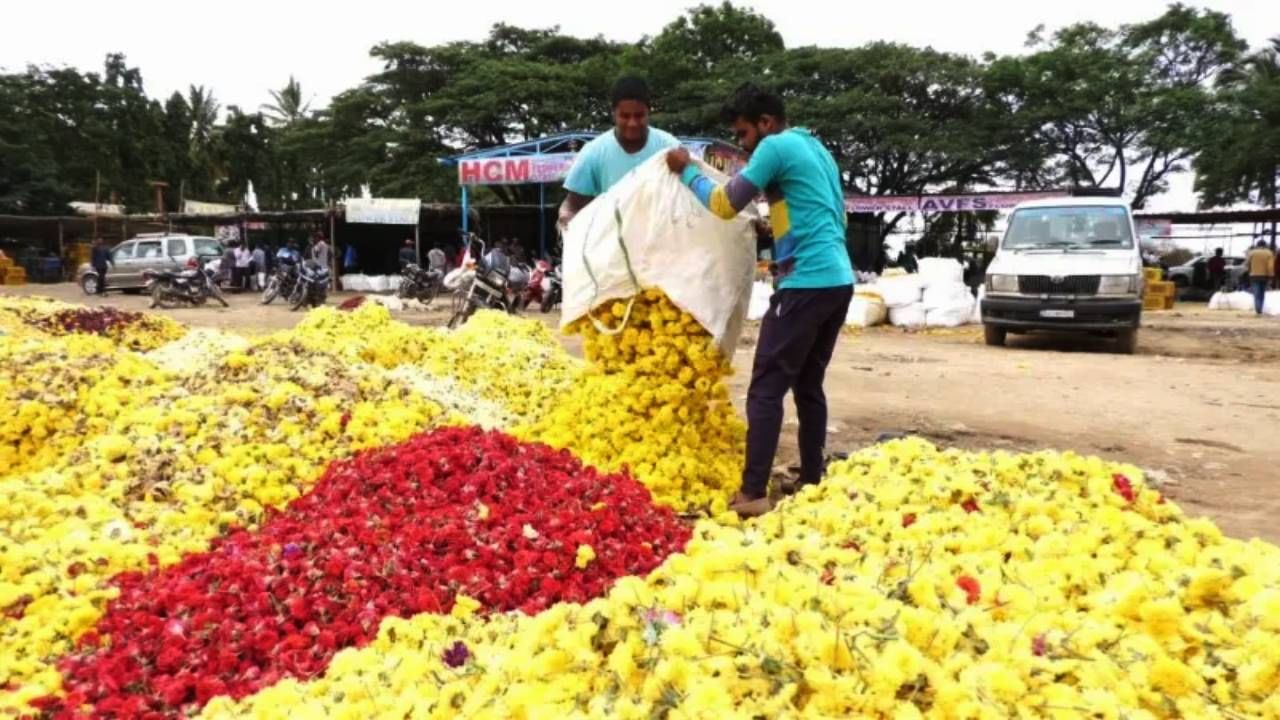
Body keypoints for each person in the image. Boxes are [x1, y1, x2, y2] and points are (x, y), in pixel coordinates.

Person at [665, 82, 854, 517]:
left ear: (765, 124)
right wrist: (774, 233)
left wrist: (686, 168)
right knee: (808, 384)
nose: (744, 147)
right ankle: (811, 478)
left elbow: (724, 202)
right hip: (837, 279)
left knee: (766, 388)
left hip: (805, 283)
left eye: (744, 135)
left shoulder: (775, 147)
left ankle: (752, 493)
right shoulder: (815, 148)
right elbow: (823, 211)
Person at [558, 76, 680, 231]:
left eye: (639, 115)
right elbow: (571, 206)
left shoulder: (669, 147)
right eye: (625, 116)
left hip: (662, 244)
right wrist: (570, 224)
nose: (632, 123)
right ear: (614, 113)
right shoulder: (594, 153)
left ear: (649, 112)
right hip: (613, 248)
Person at [1246, 240, 1274, 315]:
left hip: (1254, 275)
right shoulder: (1269, 253)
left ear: (1257, 245)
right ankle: (1260, 309)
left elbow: (1247, 264)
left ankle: (1258, 309)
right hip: (1264, 275)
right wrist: (1271, 275)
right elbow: (1270, 266)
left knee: (1256, 292)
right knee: (1262, 293)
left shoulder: (1252, 253)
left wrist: (1249, 271)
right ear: (1265, 245)